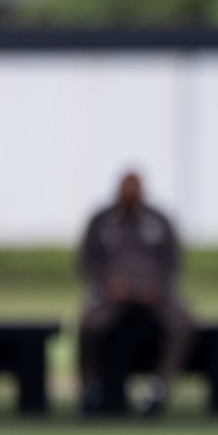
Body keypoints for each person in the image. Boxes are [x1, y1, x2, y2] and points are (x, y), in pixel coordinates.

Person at [77, 170, 195, 416]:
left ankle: (158, 387)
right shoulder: (102, 220)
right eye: (125, 187)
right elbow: (86, 262)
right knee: (89, 324)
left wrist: (158, 286)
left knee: (181, 322)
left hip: (154, 295)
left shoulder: (158, 220)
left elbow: (173, 262)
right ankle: (91, 387)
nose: (130, 193)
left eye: (135, 188)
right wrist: (108, 284)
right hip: (111, 295)